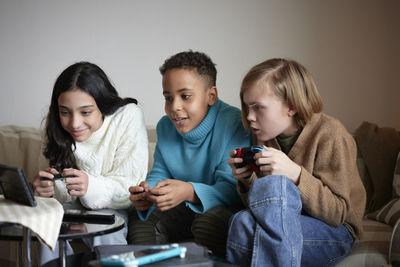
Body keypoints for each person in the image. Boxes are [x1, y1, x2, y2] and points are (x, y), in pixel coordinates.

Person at [226, 58, 366, 266]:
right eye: (247, 107)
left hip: (335, 232)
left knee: (276, 184)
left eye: (258, 108)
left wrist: (295, 174)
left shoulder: (331, 134)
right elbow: (266, 211)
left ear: (291, 106)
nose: (249, 116)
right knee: (240, 222)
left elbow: (337, 214)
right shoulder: (265, 136)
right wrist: (247, 180)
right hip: (284, 222)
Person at [128, 50, 250, 258]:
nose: (174, 107)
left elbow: (233, 189)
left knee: (208, 222)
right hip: (183, 209)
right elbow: (160, 172)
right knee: (141, 220)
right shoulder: (166, 127)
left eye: (185, 96)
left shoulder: (234, 124)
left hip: (224, 209)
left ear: (211, 96)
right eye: (168, 97)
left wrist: (189, 191)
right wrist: (149, 193)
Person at [33, 61, 148, 264]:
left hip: (112, 210)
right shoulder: (58, 127)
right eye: (65, 112)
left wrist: (90, 186)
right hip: (70, 213)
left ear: (103, 105)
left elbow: (131, 190)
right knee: (45, 224)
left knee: (107, 229)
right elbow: (65, 196)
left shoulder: (128, 116)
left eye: (85, 112)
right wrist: (51, 190)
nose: (74, 123)